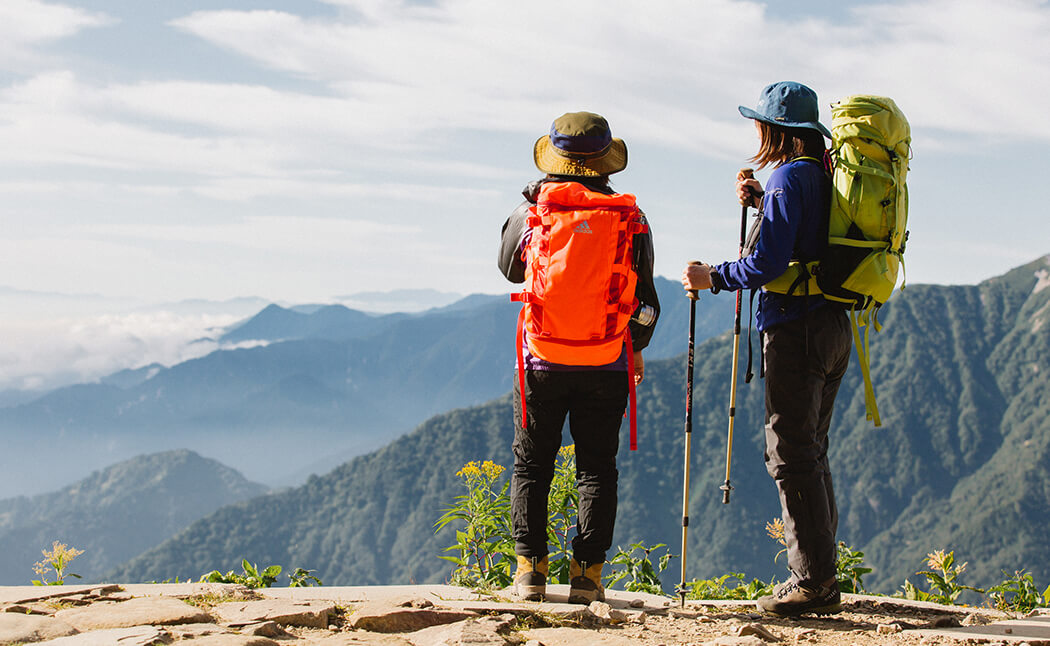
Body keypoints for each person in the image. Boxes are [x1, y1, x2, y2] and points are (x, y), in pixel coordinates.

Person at [681, 81, 850, 616]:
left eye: (759, 124)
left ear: (774, 129)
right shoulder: (821, 175)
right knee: (812, 448)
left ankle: (815, 582)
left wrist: (714, 277)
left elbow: (767, 264)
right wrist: (761, 203)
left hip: (794, 331)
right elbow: (802, 238)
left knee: (791, 452)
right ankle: (819, 572)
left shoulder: (786, 178)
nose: (756, 132)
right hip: (833, 327)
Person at [498, 111, 659, 604]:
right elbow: (648, 302)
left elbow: (509, 269)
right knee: (596, 468)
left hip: (541, 360)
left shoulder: (534, 212)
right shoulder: (630, 218)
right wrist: (633, 346)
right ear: (606, 161)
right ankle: (587, 577)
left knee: (531, 467)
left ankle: (530, 573)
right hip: (607, 361)